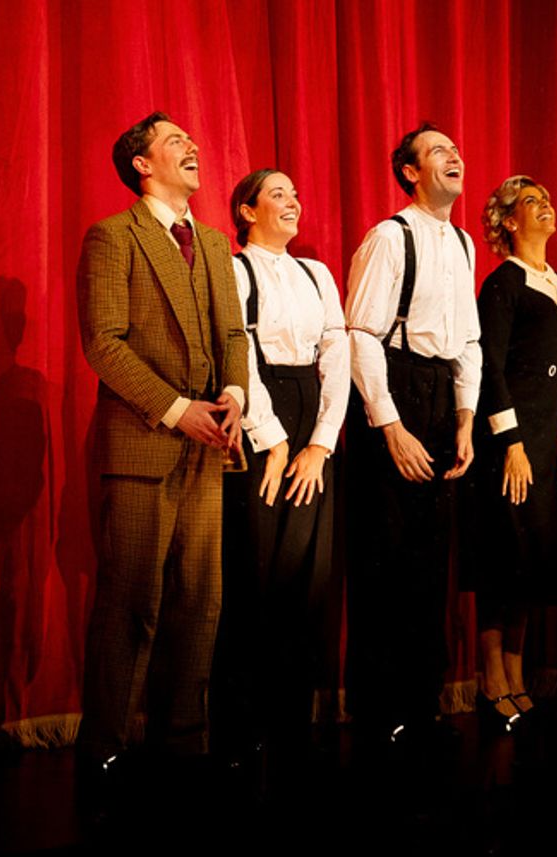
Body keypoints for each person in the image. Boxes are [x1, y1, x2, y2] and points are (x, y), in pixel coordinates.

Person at [74, 112, 249, 770]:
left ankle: (183, 746)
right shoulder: (113, 237)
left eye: (191, 139)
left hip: (209, 448)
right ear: (142, 164)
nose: (193, 146)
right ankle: (106, 753)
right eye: (175, 141)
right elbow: (104, 343)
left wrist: (233, 395)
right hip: (145, 444)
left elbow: (233, 335)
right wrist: (178, 410)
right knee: (131, 603)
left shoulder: (209, 242)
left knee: (201, 602)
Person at [343, 123, 480, 743]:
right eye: (437, 152)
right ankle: (379, 712)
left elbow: (469, 342)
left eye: (455, 149)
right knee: (385, 560)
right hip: (392, 393)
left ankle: (422, 703)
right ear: (409, 171)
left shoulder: (464, 242)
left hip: (440, 398)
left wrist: (466, 418)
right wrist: (390, 425)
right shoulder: (389, 238)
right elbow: (360, 336)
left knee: (430, 559)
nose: (453, 156)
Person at [215, 168, 349, 781]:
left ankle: (295, 724)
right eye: (278, 194)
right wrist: (271, 440)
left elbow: (336, 353)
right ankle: (245, 730)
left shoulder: (317, 274)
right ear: (247, 211)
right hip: (259, 412)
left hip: (311, 409)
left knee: (307, 574)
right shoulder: (235, 269)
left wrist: (320, 443)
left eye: (296, 193)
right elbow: (237, 351)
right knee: (256, 574)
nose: (294, 201)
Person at [464, 175, 557, 728]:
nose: (546, 208)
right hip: (505, 441)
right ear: (510, 222)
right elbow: (489, 364)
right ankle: (493, 679)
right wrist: (509, 442)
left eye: (548, 200)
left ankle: (517, 670)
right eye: (533, 203)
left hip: (543, 440)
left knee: (532, 563)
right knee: (504, 560)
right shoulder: (503, 284)